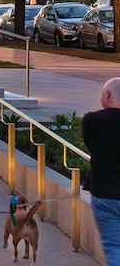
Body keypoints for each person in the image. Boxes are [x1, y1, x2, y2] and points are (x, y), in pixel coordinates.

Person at [83, 77, 120, 266]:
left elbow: (91, 146)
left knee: (114, 248)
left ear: (107, 94)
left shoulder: (92, 121)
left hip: (105, 196)